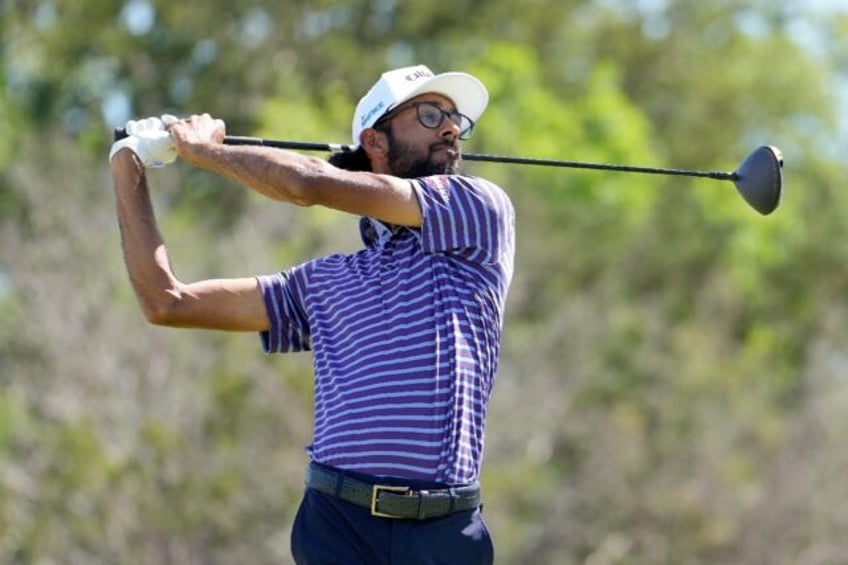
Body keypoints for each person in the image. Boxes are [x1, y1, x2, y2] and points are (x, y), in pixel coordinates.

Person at [109, 64, 515, 564]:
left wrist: (208, 152)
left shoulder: (480, 212)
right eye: (431, 115)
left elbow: (309, 185)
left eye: (455, 119)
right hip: (336, 527)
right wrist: (127, 166)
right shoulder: (324, 282)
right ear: (376, 140)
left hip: (445, 531)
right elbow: (167, 302)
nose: (451, 128)